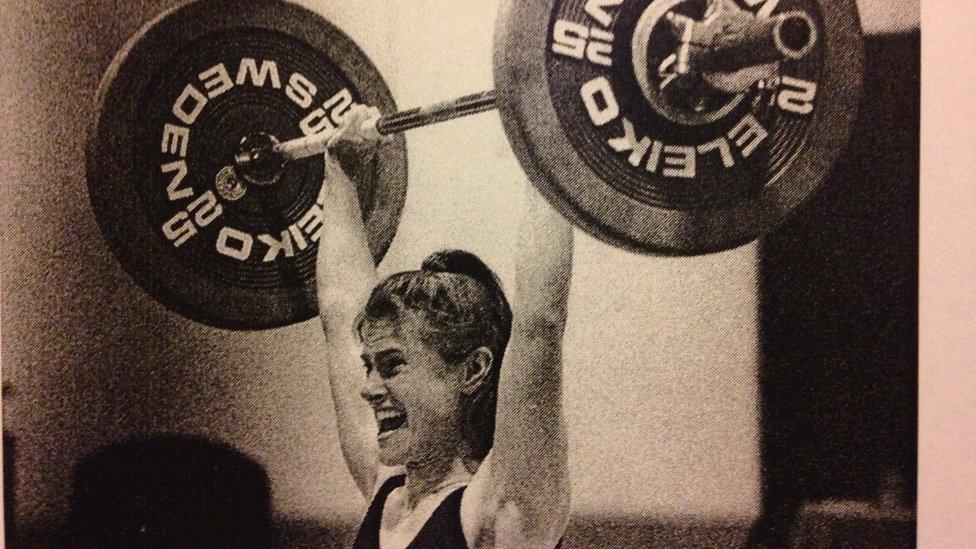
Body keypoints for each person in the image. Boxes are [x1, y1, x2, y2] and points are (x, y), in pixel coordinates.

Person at [316, 104, 573, 548]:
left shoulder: (500, 512)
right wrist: (340, 174)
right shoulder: (385, 487)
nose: (369, 388)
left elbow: (539, 324)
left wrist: (548, 142)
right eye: (370, 366)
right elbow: (340, 314)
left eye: (393, 365)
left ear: (472, 370)